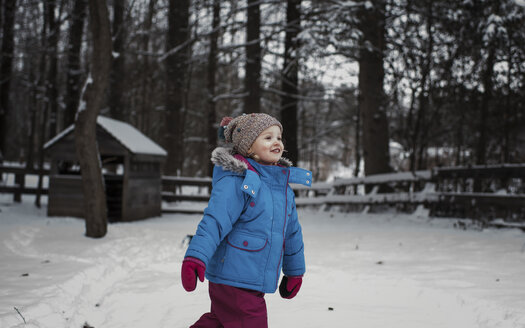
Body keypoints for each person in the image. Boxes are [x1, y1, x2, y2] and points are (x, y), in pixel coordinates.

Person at [181, 113, 312, 328]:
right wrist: (196, 257)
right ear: (249, 147)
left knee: (222, 321)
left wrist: (294, 270)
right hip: (234, 276)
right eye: (267, 137)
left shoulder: (282, 188)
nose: (276, 142)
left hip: (250, 277)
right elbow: (215, 221)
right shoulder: (238, 181)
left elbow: (291, 233)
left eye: (279, 137)